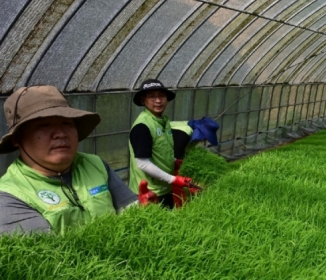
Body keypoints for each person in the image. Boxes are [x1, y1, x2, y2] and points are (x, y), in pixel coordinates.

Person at [0, 85, 137, 235]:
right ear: (16, 138)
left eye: (67, 123)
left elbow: (133, 213)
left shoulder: (95, 164)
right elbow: (47, 256)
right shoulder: (10, 195)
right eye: (44, 125)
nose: (60, 134)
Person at [129, 79, 194, 208]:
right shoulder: (143, 126)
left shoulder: (163, 121)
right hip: (149, 192)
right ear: (143, 100)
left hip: (164, 187)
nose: (158, 101)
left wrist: (174, 161)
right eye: (152, 96)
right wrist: (173, 179)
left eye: (161, 96)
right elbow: (142, 163)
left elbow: (161, 150)